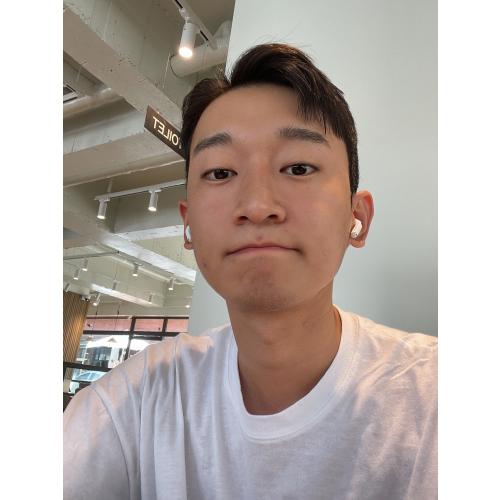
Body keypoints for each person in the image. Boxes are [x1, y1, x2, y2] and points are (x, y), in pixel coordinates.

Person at [64, 43, 437, 500]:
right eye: (221, 173)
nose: (258, 206)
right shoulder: (132, 404)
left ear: (356, 217)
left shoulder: (434, 395)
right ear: (188, 225)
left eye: (298, 167)